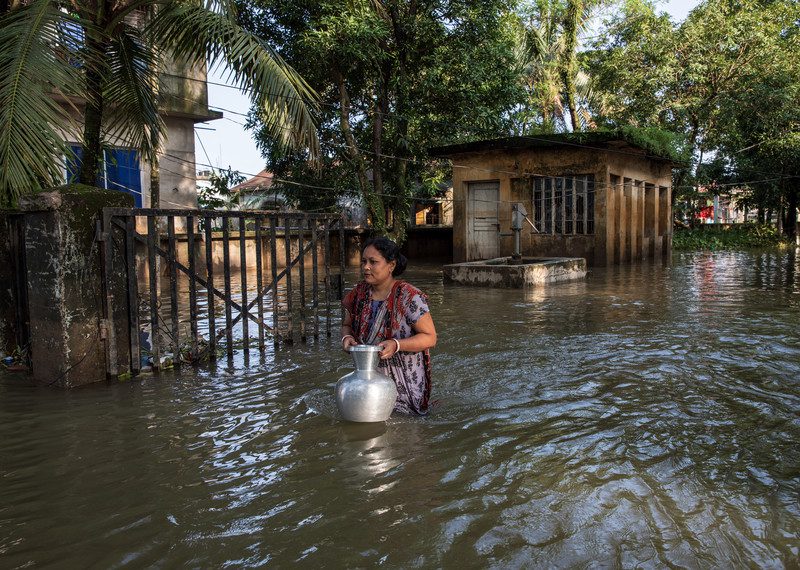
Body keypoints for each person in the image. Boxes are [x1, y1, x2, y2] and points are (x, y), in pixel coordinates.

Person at [340, 237, 437, 415]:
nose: (366, 267)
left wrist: (397, 344)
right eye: (363, 261)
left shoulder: (409, 297)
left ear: (391, 265)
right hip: (368, 381)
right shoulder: (358, 295)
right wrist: (347, 338)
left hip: (406, 382)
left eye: (373, 262)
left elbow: (430, 337)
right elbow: (346, 325)